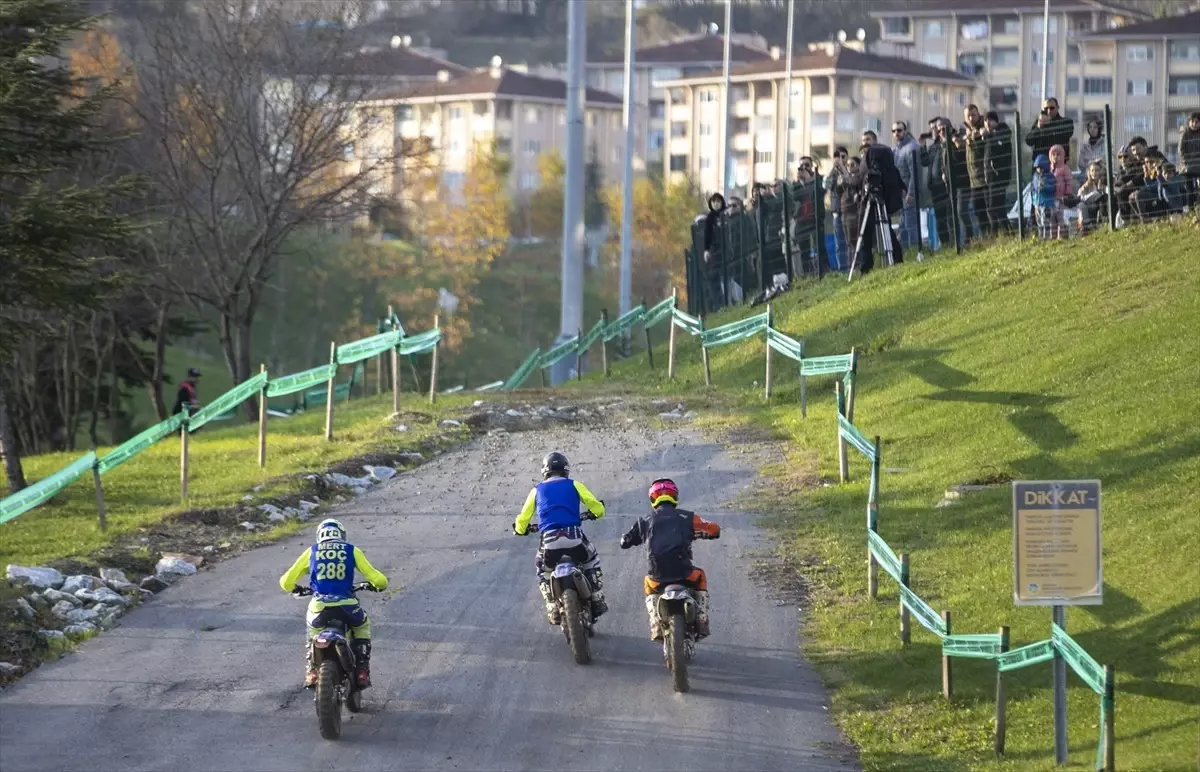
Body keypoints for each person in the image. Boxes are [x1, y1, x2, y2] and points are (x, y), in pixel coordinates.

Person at [279, 518, 389, 689]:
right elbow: (380, 581)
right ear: (341, 535)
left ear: (319, 536)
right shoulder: (351, 550)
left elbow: (285, 582)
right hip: (347, 605)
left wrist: (296, 588)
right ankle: (362, 670)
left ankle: (312, 671)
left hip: (319, 607)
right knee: (362, 626)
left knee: (312, 632)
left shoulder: (312, 551)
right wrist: (375, 586)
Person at [619, 478, 720, 641]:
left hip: (657, 575)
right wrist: (708, 533)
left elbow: (626, 540)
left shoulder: (645, 520)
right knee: (700, 576)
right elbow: (713, 529)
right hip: (684, 572)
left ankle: (654, 623)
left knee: (648, 583)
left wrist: (626, 540)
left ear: (652, 499)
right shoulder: (688, 517)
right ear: (675, 497)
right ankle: (701, 619)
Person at [513, 452, 607, 625]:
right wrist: (597, 512)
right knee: (591, 560)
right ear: (566, 470)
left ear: (545, 471)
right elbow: (597, 508)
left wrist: (520, 529)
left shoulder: (536, 490)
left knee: (542, 570)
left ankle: (552, 605)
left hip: (549, 542)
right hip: (574, 537)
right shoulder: (575, 485)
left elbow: (523, 518)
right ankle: (596, 597)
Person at [852, 141, 905, 274]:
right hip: (870, 202)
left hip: (875, 202)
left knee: (880, 231)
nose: (864, 155)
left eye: (866, 152)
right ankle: (870, 265)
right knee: (867, 235)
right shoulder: (869, 168)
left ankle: (892, 260)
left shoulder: (879, 168)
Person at [920, 119, 953, 250]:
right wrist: (922, 146)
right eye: (932, 129)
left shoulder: (947, 142)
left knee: (950, 217)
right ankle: (946, 245)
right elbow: (925, 162)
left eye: (936, 128)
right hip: (935, 188)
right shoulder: (933, 146)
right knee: (940, 220)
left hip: (947, 186)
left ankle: (954, 243)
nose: (934, 131)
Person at [961, 105, 992, 237]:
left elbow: (982, 150)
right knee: (978, 210)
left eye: (973, 115)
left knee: (989, 210)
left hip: (984, 178)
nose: (971, 118)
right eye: (968, 116)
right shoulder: (968, 131)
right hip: (973, 180)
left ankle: (994, 235)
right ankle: (985, 236)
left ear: (978, 114)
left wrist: (975, 139)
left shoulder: (982, 129)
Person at [983, 111, 1013, 236]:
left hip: (1000, 176)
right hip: (990, 177)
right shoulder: (990, 136)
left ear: (996, 121)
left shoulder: (1002, 132)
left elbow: (1000, 139)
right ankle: (1003, 233)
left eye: (990, 120)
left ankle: (1001, 232)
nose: (987, 123)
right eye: (985, 121)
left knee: (995, 207)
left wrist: (988, 135)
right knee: (994, 206)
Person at [891, 121, 920, 249]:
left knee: (911, 225)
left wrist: (911, 193)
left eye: (899, 130)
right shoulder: (896, 149)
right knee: (903, 227)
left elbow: (915, 173)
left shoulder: (911, 147)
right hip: (901, 194)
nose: (896, 133)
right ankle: (907, 254)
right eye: (894, 131)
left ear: (905, 131)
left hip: (910, 194)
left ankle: (917, 252)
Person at [1025, 97, 1075, 165]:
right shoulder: (1039, 123)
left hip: (1059, 165)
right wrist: (1038, 128)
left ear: (1057, 107)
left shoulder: (1066, 122)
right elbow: (1029, 141)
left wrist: (1049, 123)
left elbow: (1067, 133)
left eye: (1052, 108)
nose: (1049, 111)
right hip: (1040, 165)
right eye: (1046, 108)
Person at [701, 192, 727, 312]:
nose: (716, 204)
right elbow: (707, 235)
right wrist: (706, 249)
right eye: (714, 202)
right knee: (717, 278)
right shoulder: (710, 218)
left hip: (728, 249)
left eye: (718, 201)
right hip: (716, 251)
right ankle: (720, 305)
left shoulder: (726, 214)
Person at [825, 146, 850, 267]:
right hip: (837, 212)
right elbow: (826, 186)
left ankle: (855, 266)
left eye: (843, 157)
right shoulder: (832, 174)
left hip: (851, 211)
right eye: (837, 157)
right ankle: (843, 268)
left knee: (851, 241)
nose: (840, 160)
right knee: (839, 243)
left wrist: (843, 169)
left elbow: (850, 182)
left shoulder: (851, 168)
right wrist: (833, 170)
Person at [838, 155, 864, 258]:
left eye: (852, 164)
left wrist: (844, 172)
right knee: (848, 242)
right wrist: (840, 182)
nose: (849, 167)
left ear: (858, 166)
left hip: (854, 213)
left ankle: (857, 265)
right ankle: (851, 267)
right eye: (847, 165)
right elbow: (838, 192)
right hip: (844, 213)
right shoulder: (847, 178)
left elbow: (854, 183)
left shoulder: (859, 177)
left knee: (855, 241)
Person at [1048, 144, 1074, 239]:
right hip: (1051, 199)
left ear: (1062, 156)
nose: (1055, 157)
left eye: (1058, 154)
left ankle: (1061, 237)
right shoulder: (1049, 169)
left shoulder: (1064, 168)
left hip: (1061, 198)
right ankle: (1052, 236)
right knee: (1052, 219)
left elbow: (1069, 181)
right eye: (1053, 154)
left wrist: (1067, 193)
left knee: (1060, 219)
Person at [1076, 161, 1107, 235]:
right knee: (1080, 204)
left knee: (1099, 195)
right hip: (1089, 207)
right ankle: (1084, 228)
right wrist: (1084, 187)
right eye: (1092, 170)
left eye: (1097, 170)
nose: (1094, 173)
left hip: (1100, 206)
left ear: (1101, 171)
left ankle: (1074, 201)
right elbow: (1079, 194)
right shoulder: (1087, 184)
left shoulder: (1105, 181)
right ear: (1089, 172)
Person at [1032, 154, 1056, 240]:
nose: (1039, 170)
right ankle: (1041, 237)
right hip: (1038, 204)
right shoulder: (1035, 177)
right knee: (1039, 222)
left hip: (1047, 204)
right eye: (1038, 168)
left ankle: (1046, 237)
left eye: (1041, 168)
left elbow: (1053, 188)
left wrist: (1044, 186)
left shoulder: (1050, 177)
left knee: (1045, 221)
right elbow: (1034, 190)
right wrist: (1034, 203)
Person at [1178, 111, 1200, 208]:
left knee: (1198, 189)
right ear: (1189, 122)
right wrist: (1187, 161)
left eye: (1197, 122)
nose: (1195, 124)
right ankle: (1191, 209)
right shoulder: (1185, 134)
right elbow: (1181, 150)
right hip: (1188, 166)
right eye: (1193, 121)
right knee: (1189, 189)